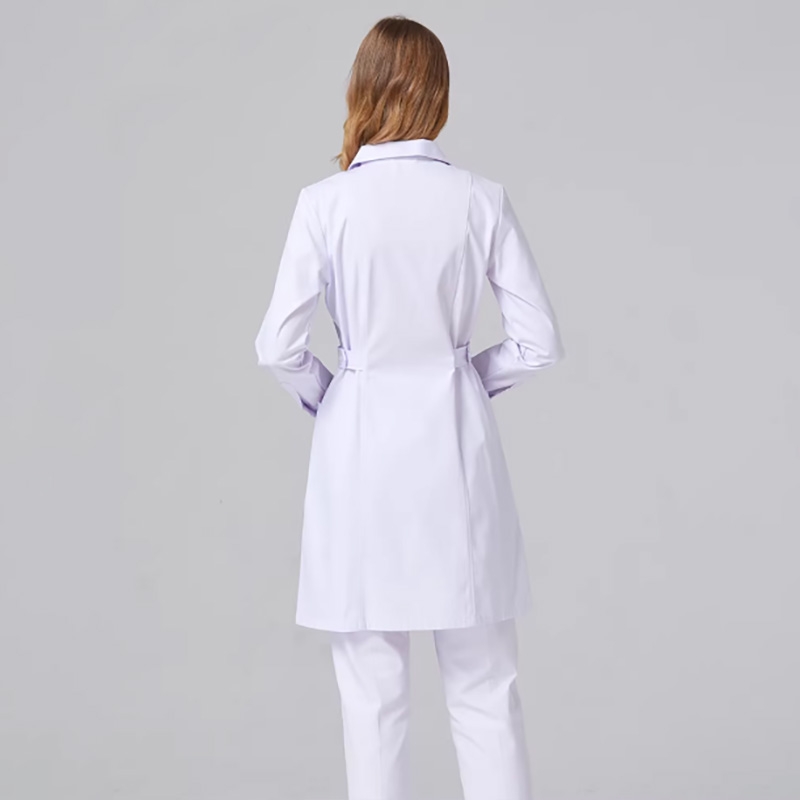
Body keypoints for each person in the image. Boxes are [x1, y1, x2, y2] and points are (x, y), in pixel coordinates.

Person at [254, 14, 565, 800]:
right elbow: (538, 343)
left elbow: (277, 347)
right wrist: (465, 378)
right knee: (485, 691)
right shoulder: (479, 199)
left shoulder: (324, 204)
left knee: (372, 701)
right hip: (456, 453)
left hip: (358, 457)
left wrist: (333, 393)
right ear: (440, 96)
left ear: (361, 89)